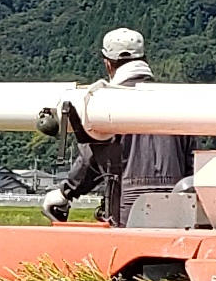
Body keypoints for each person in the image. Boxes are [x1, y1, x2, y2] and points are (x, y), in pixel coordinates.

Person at [47, 26, 200, 223]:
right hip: (176, 204)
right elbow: (192, 163)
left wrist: (65, 192)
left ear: (108, 64)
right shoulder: (175, 102)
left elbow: (91, 161)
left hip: (127, 204)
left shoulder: (107, 103)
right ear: (144, 59)